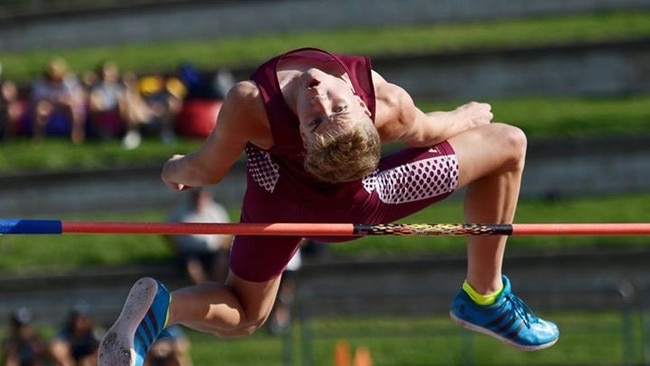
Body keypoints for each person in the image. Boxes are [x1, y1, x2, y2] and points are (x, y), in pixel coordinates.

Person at [98, 47, 559, 365]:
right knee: (509, 144)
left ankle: (166, 308)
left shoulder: (250, 104)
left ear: (364, 110)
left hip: (290, 200)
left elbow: (207, 170)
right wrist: (466, 118)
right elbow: (427, 129)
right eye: (321, 115)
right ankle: (484, 296)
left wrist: (173, 169)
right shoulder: (388, 102)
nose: (320, 94)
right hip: (361, 201)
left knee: (243, 310)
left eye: (328, 112)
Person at [165, 187, 232, 284]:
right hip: (189, 253)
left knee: (221, 262)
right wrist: (176, 248)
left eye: (202, 196)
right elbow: (167, 232)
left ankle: (216, 289)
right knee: (192, 267)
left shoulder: (217, 211)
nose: (199, 199)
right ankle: (204, 289)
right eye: (197, 196)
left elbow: (228, 233)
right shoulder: (180, 211)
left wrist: (223, 250)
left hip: (213, 251)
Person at [30, 57, 86, 144]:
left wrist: (63, 100)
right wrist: (53, 101)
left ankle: (76, 134)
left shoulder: (69, 80)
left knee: (74, 110)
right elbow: (37, 98)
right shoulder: (42, 81)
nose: (53, 73)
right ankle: (38, 136)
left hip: (66, 104)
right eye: (51, 71)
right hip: (49, 104)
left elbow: (76, 97)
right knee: (41, 109)